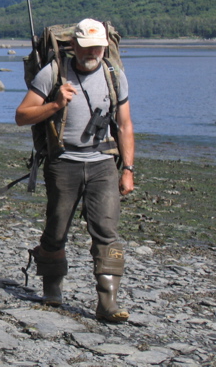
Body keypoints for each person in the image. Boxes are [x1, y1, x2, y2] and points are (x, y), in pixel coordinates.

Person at [15, 18, 135, 322]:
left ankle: (107, 302)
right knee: (56, 231)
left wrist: (128, 169)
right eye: (87, 47)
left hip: (103, 164)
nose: (93, 52)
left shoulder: (114, 75)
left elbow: (125, 124)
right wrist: (55, 105)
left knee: (106, 232)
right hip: (63, 163)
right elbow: (21, 115)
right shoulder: (53, 73)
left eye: (99, 47)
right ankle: (51, 286)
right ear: (74, 46)